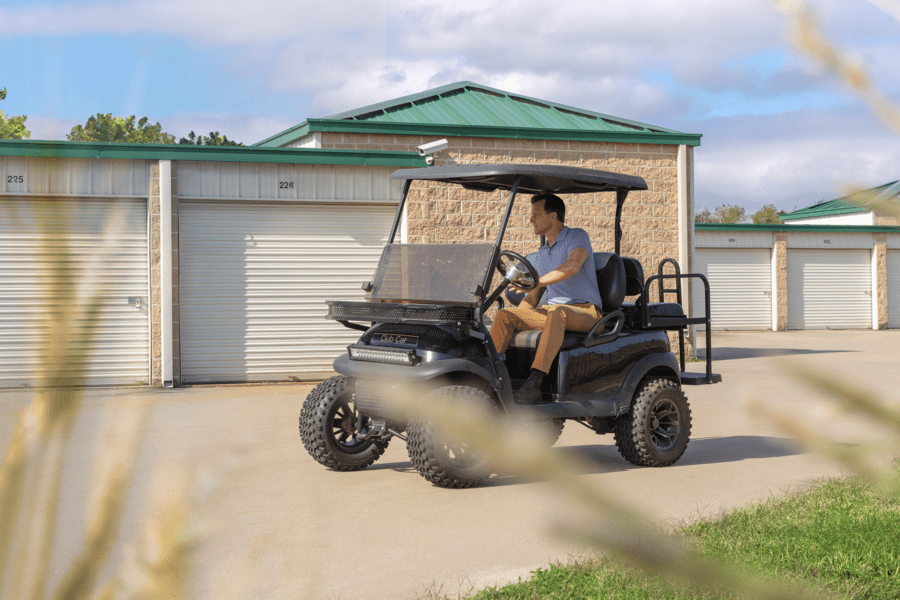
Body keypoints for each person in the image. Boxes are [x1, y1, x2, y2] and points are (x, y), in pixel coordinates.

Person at [489, 192, 603, 403]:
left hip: (587, 312)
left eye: (535, 214)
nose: (530, 219)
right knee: (505, 315)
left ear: (552, 217)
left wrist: (540, 282)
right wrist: (520, 314)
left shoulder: (576, 236)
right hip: (553, 314)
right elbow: (533, 297)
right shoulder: (542, 252)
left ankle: (535, 382)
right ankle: (490, 378)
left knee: (558, 312)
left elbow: (573, 266)